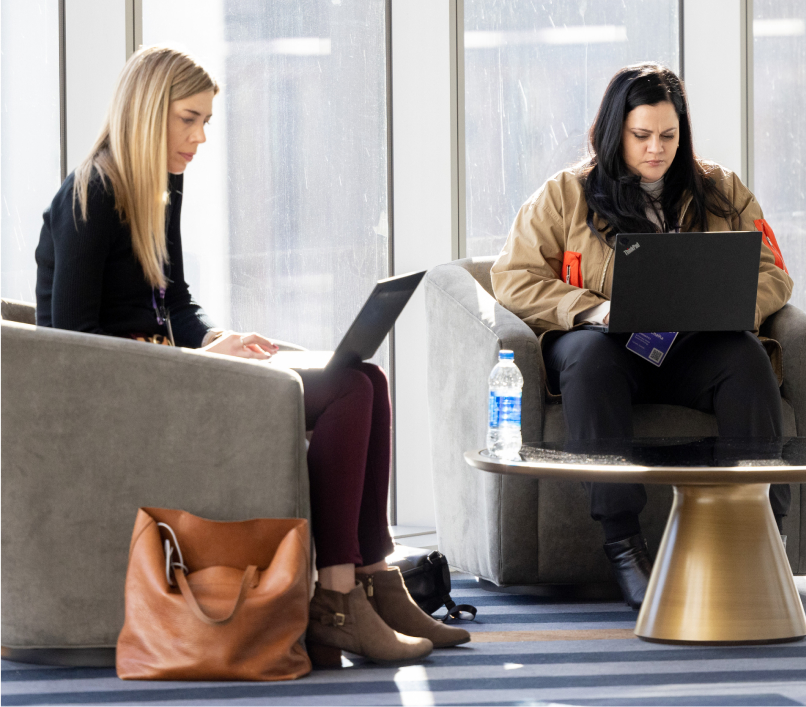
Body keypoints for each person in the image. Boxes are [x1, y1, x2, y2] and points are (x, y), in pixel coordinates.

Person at [35, 45, 469, 664]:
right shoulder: (90, 196)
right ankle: (338, 601)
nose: (201, 137)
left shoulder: (159, 186)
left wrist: (214, 340)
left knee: (367, 377)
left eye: (206, 121)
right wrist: (190, 362)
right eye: (190, 118)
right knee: (347, 389)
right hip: (134, 399)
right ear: (149, 112)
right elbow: (74, 348)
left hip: (174, 375)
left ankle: (373, 575)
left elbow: (175, 303)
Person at [491, 63, 793, 609]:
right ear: (615, 132)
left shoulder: (722, 191)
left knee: (745, 357)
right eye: (642, 136)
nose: (656, 149)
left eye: (669, 136)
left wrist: (727, 309)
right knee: (589, 360)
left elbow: (773, 273)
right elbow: (512, 277)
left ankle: (760, 531)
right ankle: (625, 547)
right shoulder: (564, 194)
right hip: (604, 345)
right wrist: (588, 310)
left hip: (692, 347)